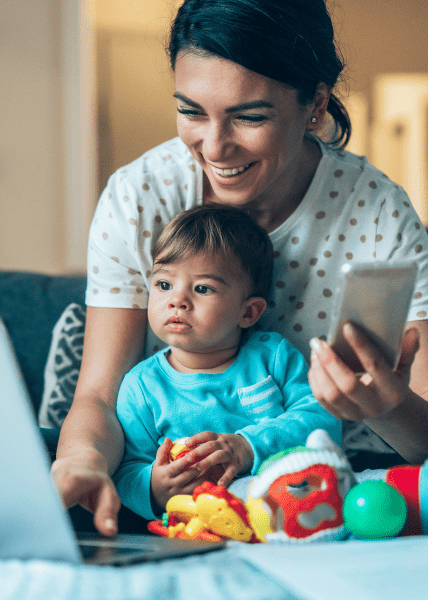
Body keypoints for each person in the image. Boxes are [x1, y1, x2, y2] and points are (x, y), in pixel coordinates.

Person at [52, 0, 428, 537]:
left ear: (316, 103)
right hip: (180, 494)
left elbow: (425, 439)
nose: (215, 145)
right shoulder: (140, 195)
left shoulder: (377, 212)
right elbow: (99, 395)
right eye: (191, 111)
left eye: (249, 116)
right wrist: (83, 462)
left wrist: (387, 407)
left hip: (340, 487)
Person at [112, 204, 341, 519]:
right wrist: (153, 487)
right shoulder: (141, 387)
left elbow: (323, 421)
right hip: (202, 521)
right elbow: (126, 470)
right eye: (164, 285)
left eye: (202, 288)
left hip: (295, 501)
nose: (176, 300)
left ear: (248, 312)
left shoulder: (273, 356)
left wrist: (248, 447)